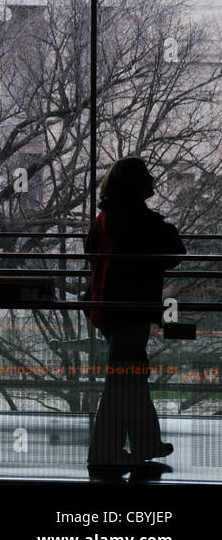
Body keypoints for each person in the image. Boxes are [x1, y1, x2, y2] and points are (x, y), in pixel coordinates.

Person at [84, 157, 184, 471]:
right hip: (132, 310)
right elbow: (175, 252)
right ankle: (108, 451)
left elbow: (90, 251)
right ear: (135, 185)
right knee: (125, 382)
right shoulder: (139, 220)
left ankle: (143, 443)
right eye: (147, 177)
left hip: (107, 308)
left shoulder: (105, 217)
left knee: (129, 378)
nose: (152, 180)